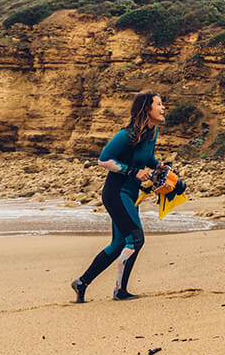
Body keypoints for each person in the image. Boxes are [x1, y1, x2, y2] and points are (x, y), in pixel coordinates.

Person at [71, 91, 166, 302]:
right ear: (147, 109)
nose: (163, 108)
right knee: (135, 239)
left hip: (131, 194)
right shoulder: (126, 135)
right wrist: (132, 171)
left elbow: (147, 157)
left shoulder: (152, 133)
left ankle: (81, 282)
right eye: (158, 104)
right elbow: (103, 160)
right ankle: (119, 291)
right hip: (116, 193)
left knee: (118, 244)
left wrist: (158, 165)